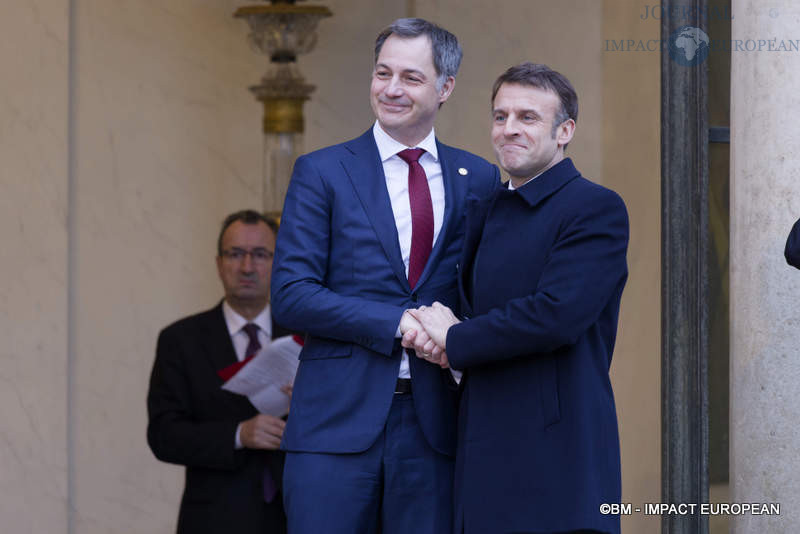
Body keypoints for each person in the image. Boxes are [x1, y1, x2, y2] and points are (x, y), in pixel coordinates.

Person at [270, 17, 499, 534]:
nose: (391, 89)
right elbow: (290, 295)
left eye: (411, 78)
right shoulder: (323, 171)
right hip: (333, 427)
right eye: (382, 73)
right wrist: (398, 322)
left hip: (437, 427)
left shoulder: (479, 177)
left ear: (446, 88)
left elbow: (483, 293)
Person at [405, 63, 629, 534]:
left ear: (564, 130)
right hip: (480, 445)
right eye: (500, 116)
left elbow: (557, 314)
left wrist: (457, 337)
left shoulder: (594, 207)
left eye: (527, 117)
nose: (509, 129)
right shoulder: (484, 209)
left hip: (555, 456)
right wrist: (438, 336)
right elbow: (464, 311)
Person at [147, 210, 290, 534]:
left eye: (260, 255)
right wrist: (239, 434)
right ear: (218, 263)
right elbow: (163, 435)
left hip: (295, 515)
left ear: (277, 262)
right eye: (236, 254)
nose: (247, 267)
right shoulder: (180, 340)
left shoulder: (306, 338)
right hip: (214, 517)